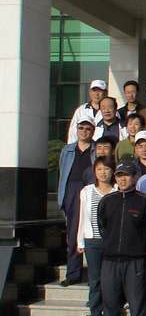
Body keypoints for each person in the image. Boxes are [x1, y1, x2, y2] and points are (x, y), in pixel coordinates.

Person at [89, 162, 146, 316]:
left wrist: (144, 257)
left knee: (138, 305)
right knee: (110, 305)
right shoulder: (107, 201)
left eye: (126, 175)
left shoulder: (145, 202)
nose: (122, 179)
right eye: (119, 175)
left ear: (134, 177)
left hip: (135, 262)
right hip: (110, 261)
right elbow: (102, 227)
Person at [76, 157, 117, 316]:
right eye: (99, 169)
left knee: (112, 281)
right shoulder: (87, 191)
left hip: (113, 242)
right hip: (92, 241)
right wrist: (80, 240)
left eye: (107, 169)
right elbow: (82, 217)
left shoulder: (117, 190)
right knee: (95, 280)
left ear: (112, 171)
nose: (103, 172)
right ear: (94, 171)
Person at [58, 115, 97, 287]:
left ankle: (94, 275)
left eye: (88, 128)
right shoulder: (67, 150)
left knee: (92, 231)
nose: (84, 131)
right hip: (72, 191)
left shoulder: (97, 149)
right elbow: (62, 172)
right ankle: (73, 273)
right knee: (73, 233)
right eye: (81, 128)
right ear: (77, 129)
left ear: (93, 131)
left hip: (90, 190)